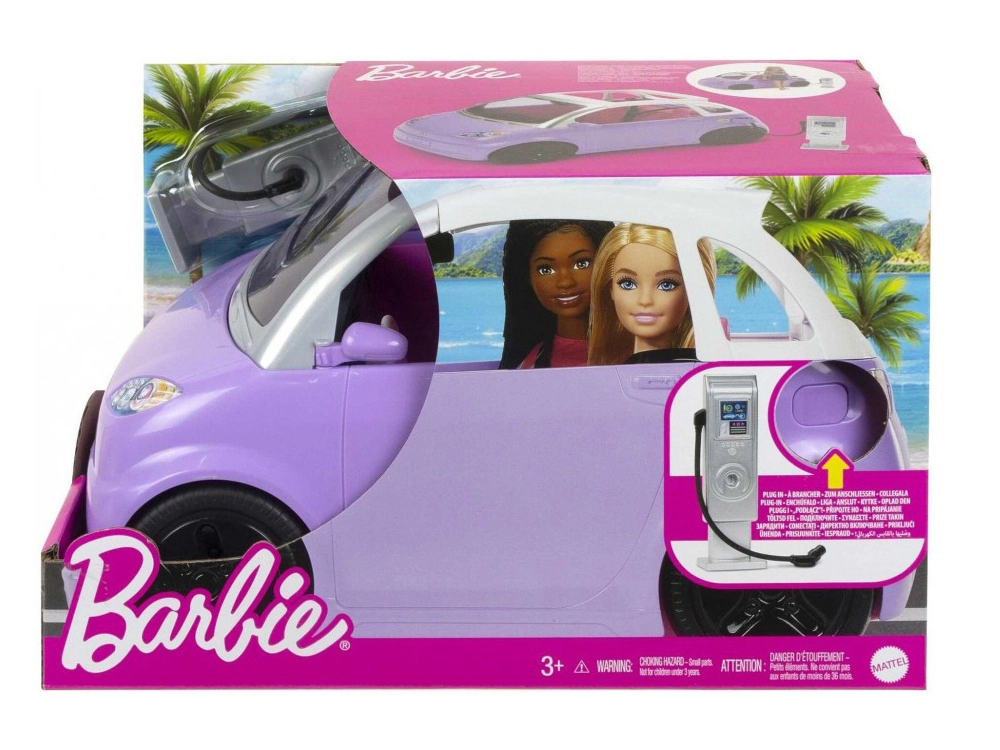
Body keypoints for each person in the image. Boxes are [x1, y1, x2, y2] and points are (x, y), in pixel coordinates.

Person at [588, 223, 716, 366]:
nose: (645, 300)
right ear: (611, 289)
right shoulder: (608, 368)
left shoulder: (699, 369)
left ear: (691, 291)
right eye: (628, 284)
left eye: (666, 285)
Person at [499, 219, 614, 369]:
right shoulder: (530, 360)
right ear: (528, 277)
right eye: (545, 269)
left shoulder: (632, 352)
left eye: (581, 263)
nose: (565, 282)